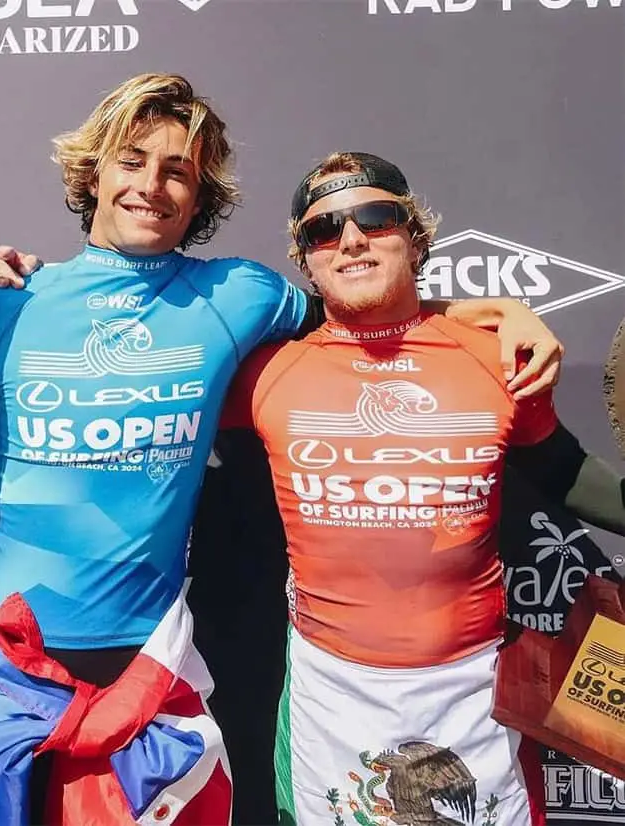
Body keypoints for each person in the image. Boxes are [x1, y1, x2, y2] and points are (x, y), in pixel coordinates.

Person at [0, 75, 564, 825]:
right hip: (10, 669)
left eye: (177, 170)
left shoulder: (239, 295)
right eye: (132, 160)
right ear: (92, 173)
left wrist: (495, 312)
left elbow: (364, 299)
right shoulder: (3, 300)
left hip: (153, 675)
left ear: (200, 195)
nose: (151, 184)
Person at [207, 150, 625, 826]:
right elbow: (143, 384)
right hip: (331, 691)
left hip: (473, 689)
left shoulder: (494, 355)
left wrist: (490, 313)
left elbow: (562, 470)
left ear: (417, 236)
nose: (350, 239)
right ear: (306, 260)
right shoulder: (267, 372)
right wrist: (26, 288)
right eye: (323, 230)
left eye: (375, 217)